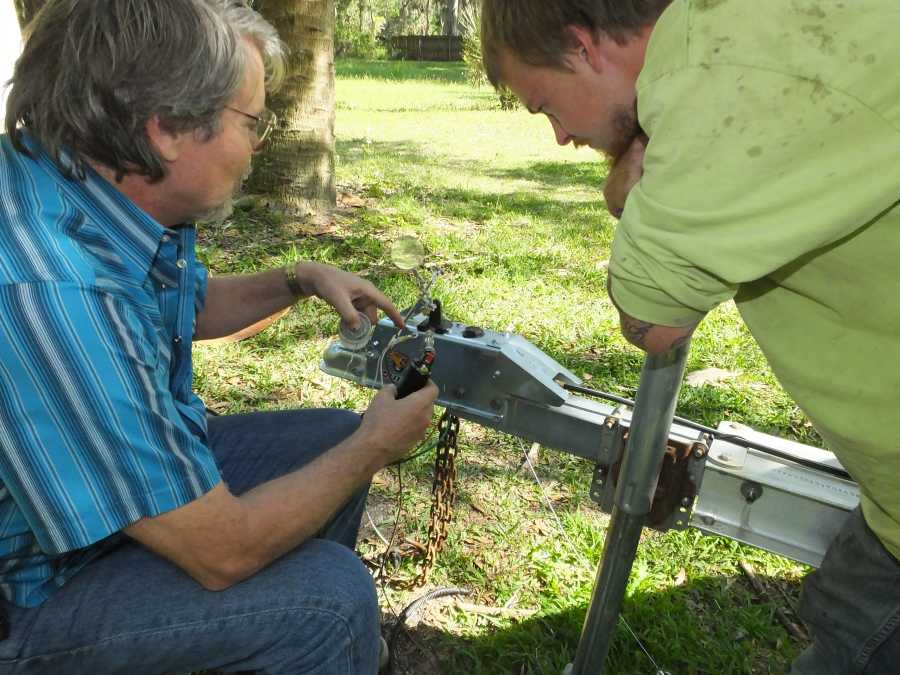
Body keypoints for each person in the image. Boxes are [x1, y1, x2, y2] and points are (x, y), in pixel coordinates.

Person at [0, 1, 438, 673]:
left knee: (323, 440)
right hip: (29, 593)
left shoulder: (83, 190)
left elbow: (187, 308)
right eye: (252, 121)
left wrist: (299, 277)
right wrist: (374, 446)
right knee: (327, 596)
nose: (258, 144)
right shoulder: (53, 290)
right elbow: (221, 551)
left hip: (78, 520)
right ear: (169, 128)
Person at [480, 0, 900, 673]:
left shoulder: (719, 77)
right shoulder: (750, 29)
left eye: (545, 104)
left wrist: (626, 189)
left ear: (583, 46)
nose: (559, 135)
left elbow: (652, 319)